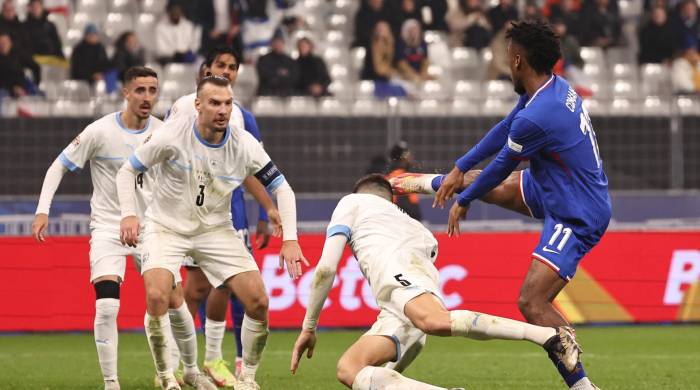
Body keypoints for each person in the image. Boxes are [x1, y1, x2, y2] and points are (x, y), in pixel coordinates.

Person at [390, 20, 609, 390]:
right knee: (474, 180)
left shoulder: (540, 115)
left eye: (507, 57)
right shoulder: (550, 90)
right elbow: (506, 128)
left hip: (577, 212)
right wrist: (460, 168)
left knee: (531, 301)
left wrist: (465, 200)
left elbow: (503, 163)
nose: (505, 62)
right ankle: (427, 183)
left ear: (519, 60)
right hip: (553, 186)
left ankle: (582, 383)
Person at [290, 174, 582, 390]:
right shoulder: (414, 227)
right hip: (403, 301)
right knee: (350, 369)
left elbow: (326, 269)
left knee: (434, 321)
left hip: (399, 280)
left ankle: (547, 336)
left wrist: (309, 327)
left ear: (362, 193)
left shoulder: (352, 202)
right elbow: (404, 358)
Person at [30, 67, 218, 390]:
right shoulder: (99, 132)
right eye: (140, 90)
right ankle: (111, 383)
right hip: (108, 227)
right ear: (125, 93)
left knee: (175, 302)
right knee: (107, 305)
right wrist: (42, 210)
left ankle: (189, 371)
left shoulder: (164, 132)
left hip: (152, 230)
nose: (147, 97)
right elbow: (58, 165)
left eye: (152, 90)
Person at [116, 76, 307, 390]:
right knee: (157, 294)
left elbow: (282, 188)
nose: (223, 110)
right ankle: (167, 377)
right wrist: (128, 214)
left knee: (258, 301)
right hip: (166, 227)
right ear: (198, 105)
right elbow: (128, 170)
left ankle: (247, 379)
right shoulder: (171, 135)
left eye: (228, 104)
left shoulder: (242, 143)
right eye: (215, 103)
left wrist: (290, 240)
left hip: (216, 230)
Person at [165, 46, 276, 387]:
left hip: (231, 209)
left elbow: (253, 169)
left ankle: (214, 359)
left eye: (232, 66)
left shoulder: (243, 116)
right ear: (206, 69)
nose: (226, 71)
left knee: (226, 284)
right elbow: (165, 154)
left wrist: (266, 210)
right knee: (194, 288)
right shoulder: (184, 107)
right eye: (220, 65)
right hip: (191, 209)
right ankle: (172, 363)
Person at [155, 0, 200, 65]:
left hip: (186, 57)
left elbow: (193, 46)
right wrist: (176, 53)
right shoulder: (161, 27)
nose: (176, 13)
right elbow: (161, 49)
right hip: (168, 58)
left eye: (178, 10)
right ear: (169, 11)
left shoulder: (188, 26)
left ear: (181, 12)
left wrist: (185, 52)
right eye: (173, 10)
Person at [385, 142, 422, 221]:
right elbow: (413, 211)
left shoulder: (387, 176)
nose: (411, 158)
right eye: (408, 155)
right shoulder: (404, 177)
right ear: (403, 158)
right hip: (403, 224)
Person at [255, 32, 299, 96]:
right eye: (275, 42)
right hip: (267, 93)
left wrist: (275, 74)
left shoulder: (290, 61)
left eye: (280, 43)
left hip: (286, 94)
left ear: (283, 44)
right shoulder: (264, 59)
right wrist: (279, 73)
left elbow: (294, 77)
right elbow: (263, 74)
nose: (278, 45)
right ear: (271, 44)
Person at [0, 31, 40, 97]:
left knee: (38, 94)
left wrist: (36, 83)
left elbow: (35, 67)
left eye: (5, 43)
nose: (2, 45)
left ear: (10, 43)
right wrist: (13, 89)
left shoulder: (19, 54)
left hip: (22, 86)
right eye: (1, 43)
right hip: (4, 89)